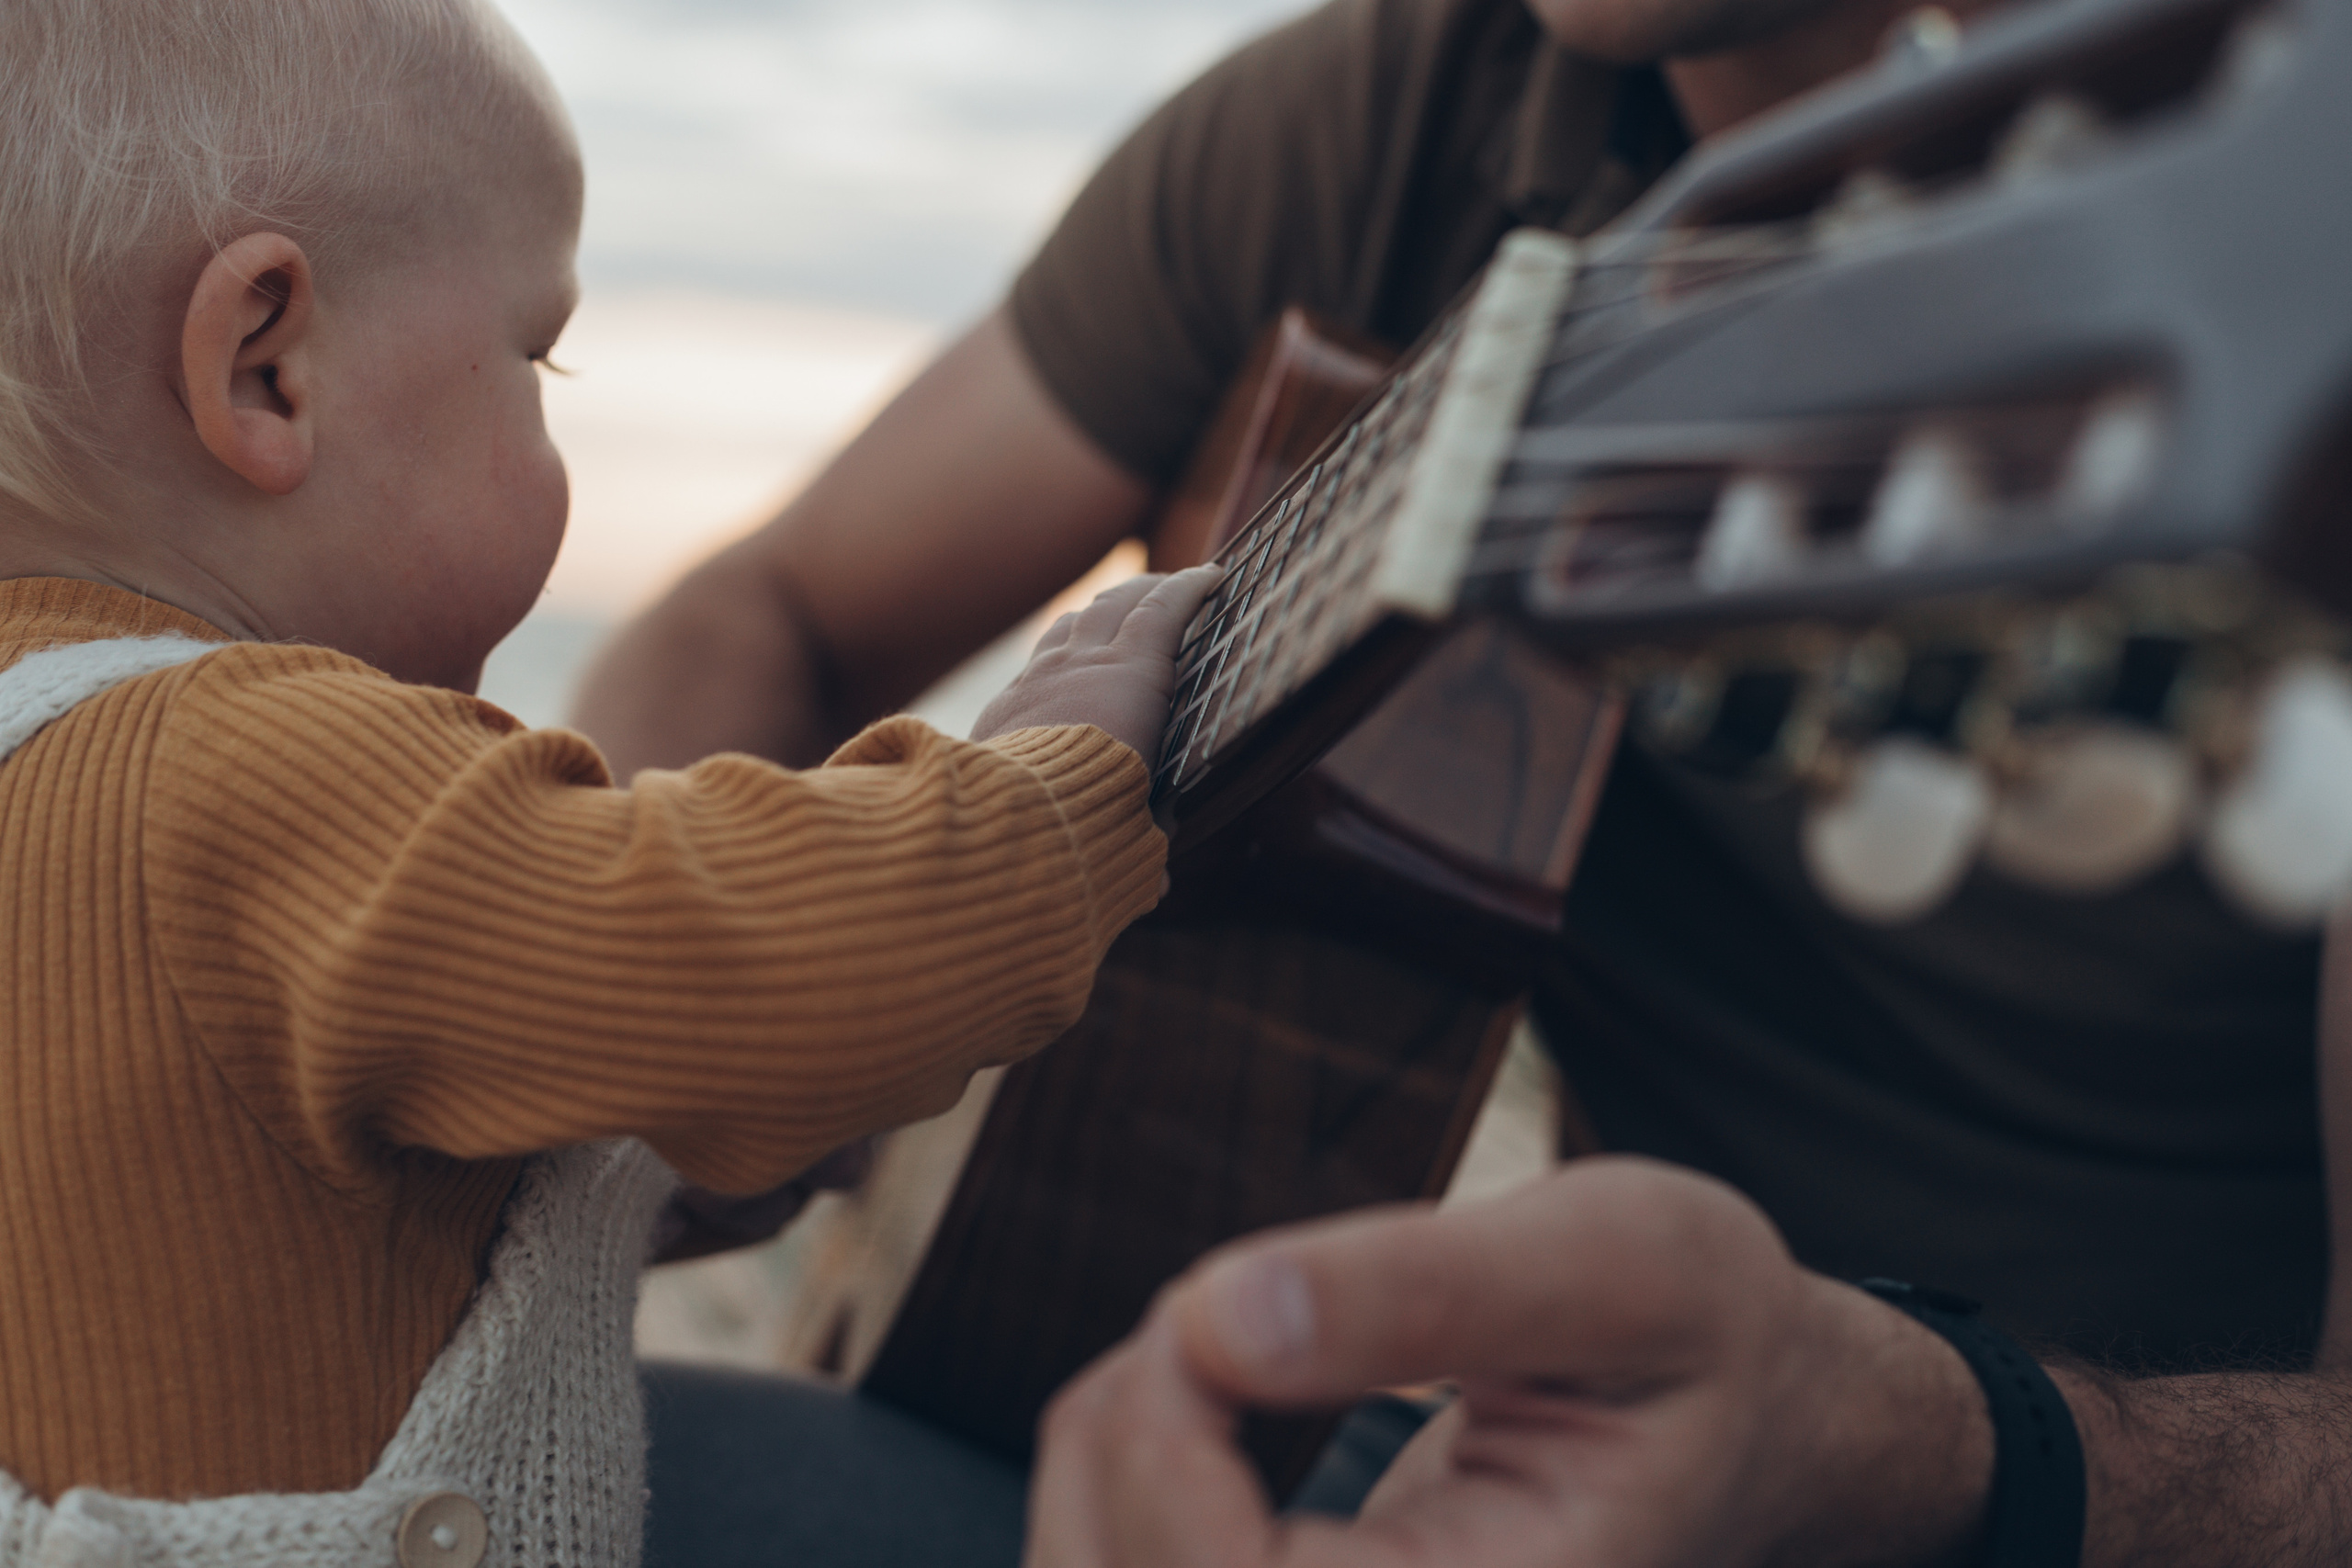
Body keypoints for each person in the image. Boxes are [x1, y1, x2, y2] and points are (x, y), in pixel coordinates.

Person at [578, 0, 2352, 1560]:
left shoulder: (2276, 231)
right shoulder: (1392, 109)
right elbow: (773, 606)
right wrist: (694, 1021)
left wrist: (1928, 1446)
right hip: (1485, 1438)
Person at [0, 0, 1217, 1560]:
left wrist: (614, 1190)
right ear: (268, 369)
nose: (553, 424)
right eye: (540, 353)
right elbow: (737, 957)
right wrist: (1052, 793)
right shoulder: (265, 768)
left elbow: (195, 1255)